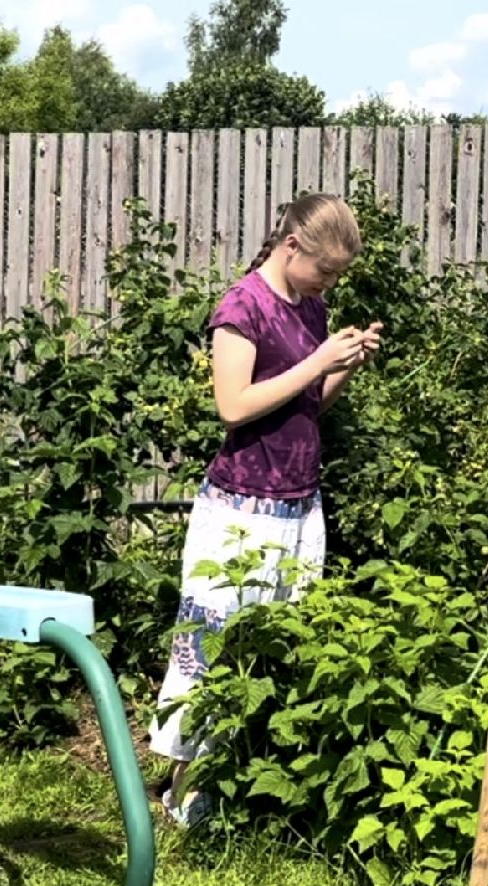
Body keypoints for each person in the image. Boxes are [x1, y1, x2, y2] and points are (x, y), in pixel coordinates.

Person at [150, 192, 382, 828]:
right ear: (291, 247)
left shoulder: (311, 308)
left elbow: (307, 404)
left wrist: (344, 366)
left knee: (279, 646)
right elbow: (233, 407)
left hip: (298, 507)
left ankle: (251, 782)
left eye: (336, 276)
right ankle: (186, 789)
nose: (329, 283)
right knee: (212, 645)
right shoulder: (241, 307)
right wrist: (316, 358)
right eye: (325, 270)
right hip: (240, 511)